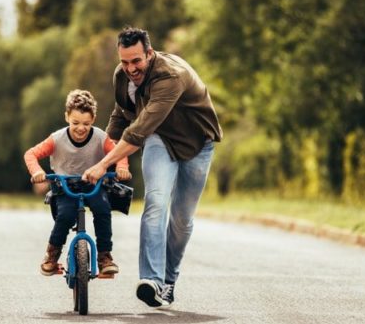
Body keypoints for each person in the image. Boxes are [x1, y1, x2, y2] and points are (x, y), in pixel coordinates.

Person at [82, 27, 222, 308]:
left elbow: (138, 131)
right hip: (160, 140)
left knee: (182, 220)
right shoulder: (122, 76)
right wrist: (98, 153)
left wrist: (103, 165)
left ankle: (168, 282)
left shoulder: (170, 76)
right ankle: (152, 281)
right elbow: (121, 115)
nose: (131, 68)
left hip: (198, 144)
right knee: (156, 201)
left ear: (149, 53)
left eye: (136, 61)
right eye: (125, 61)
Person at [24, 89, 131, 277]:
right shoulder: (57, 139)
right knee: (65, 215)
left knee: (103, 210)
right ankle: (52, 255)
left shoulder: (100, 137)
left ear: (94, 119)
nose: (81, 128)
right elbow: (31, 154)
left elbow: (118, 152)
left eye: (86, 123)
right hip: (65, 187)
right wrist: (38, 172)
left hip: (93, 184)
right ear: (67, 117)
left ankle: (105, 256)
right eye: (75, 123)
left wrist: (122, 167)